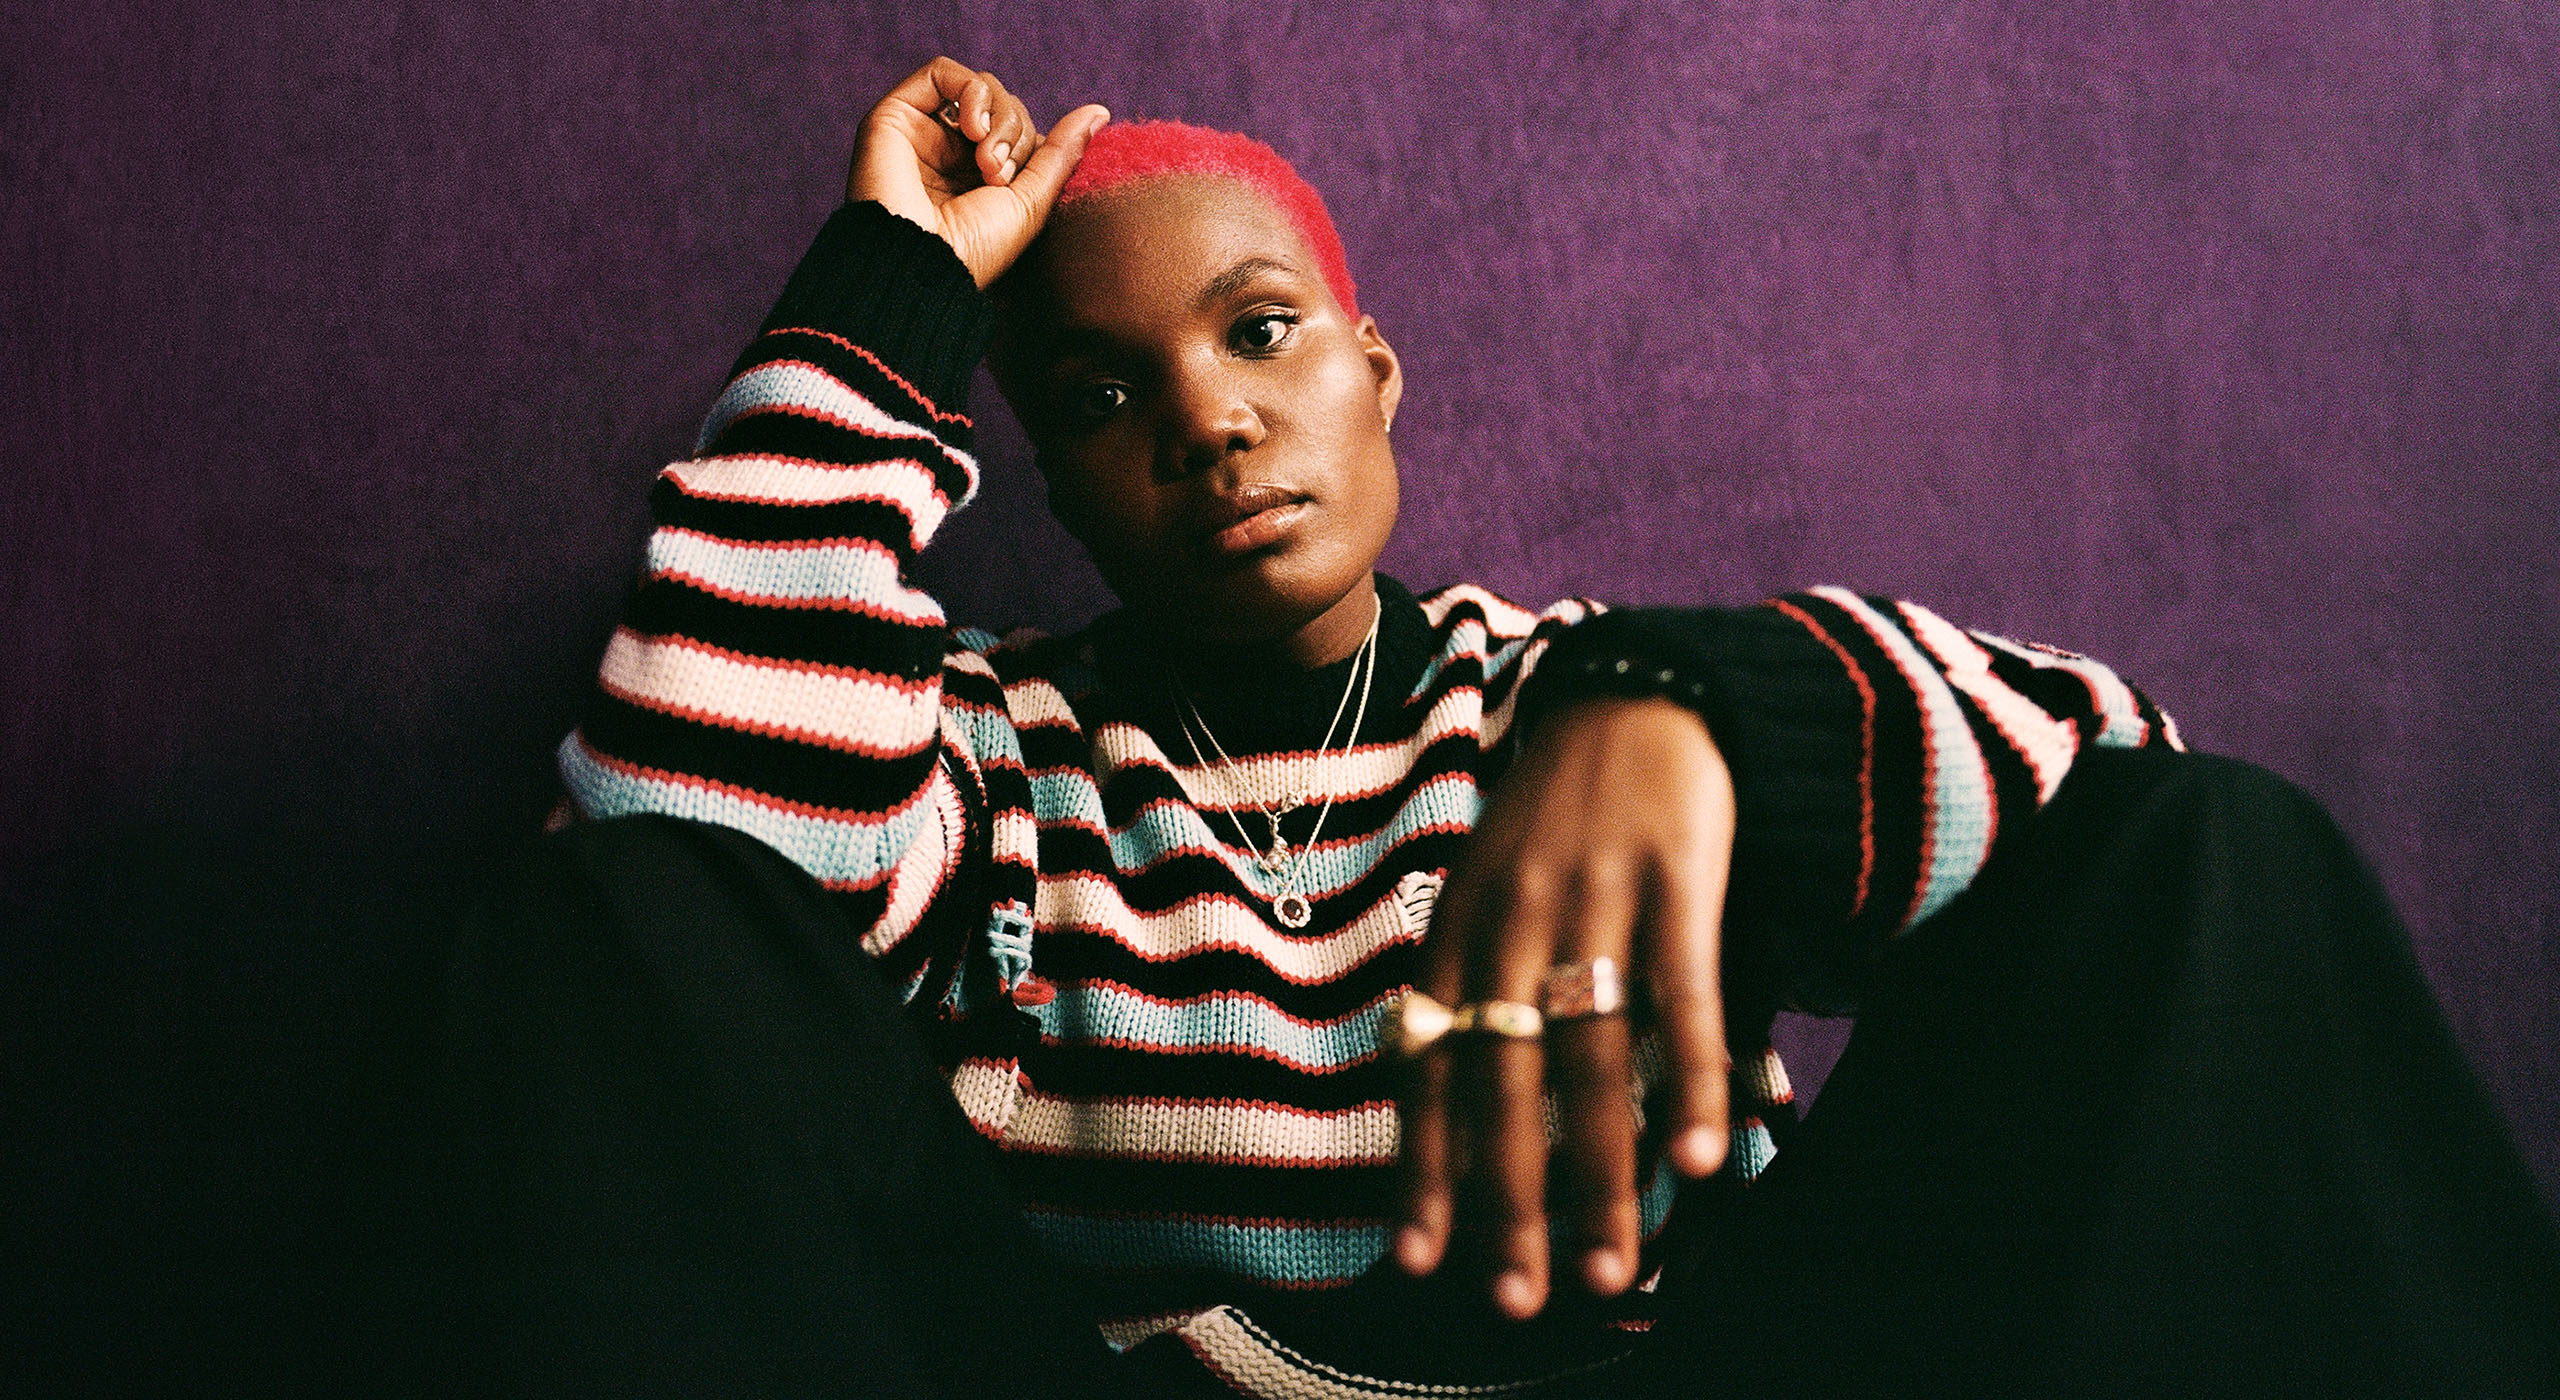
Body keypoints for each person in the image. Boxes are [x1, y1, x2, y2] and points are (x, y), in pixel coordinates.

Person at [340, 57, 2560, 1398]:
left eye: (1261, 333)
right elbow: (678, 841)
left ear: (1372, 374)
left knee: (2208, 852)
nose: (1205, 421)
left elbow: (2137, 845)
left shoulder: (1571, 701)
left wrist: (1694, 713)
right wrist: (887, 285)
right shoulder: (981, 760)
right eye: (1103, 404)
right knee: (591, 924)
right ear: (1048, 476)